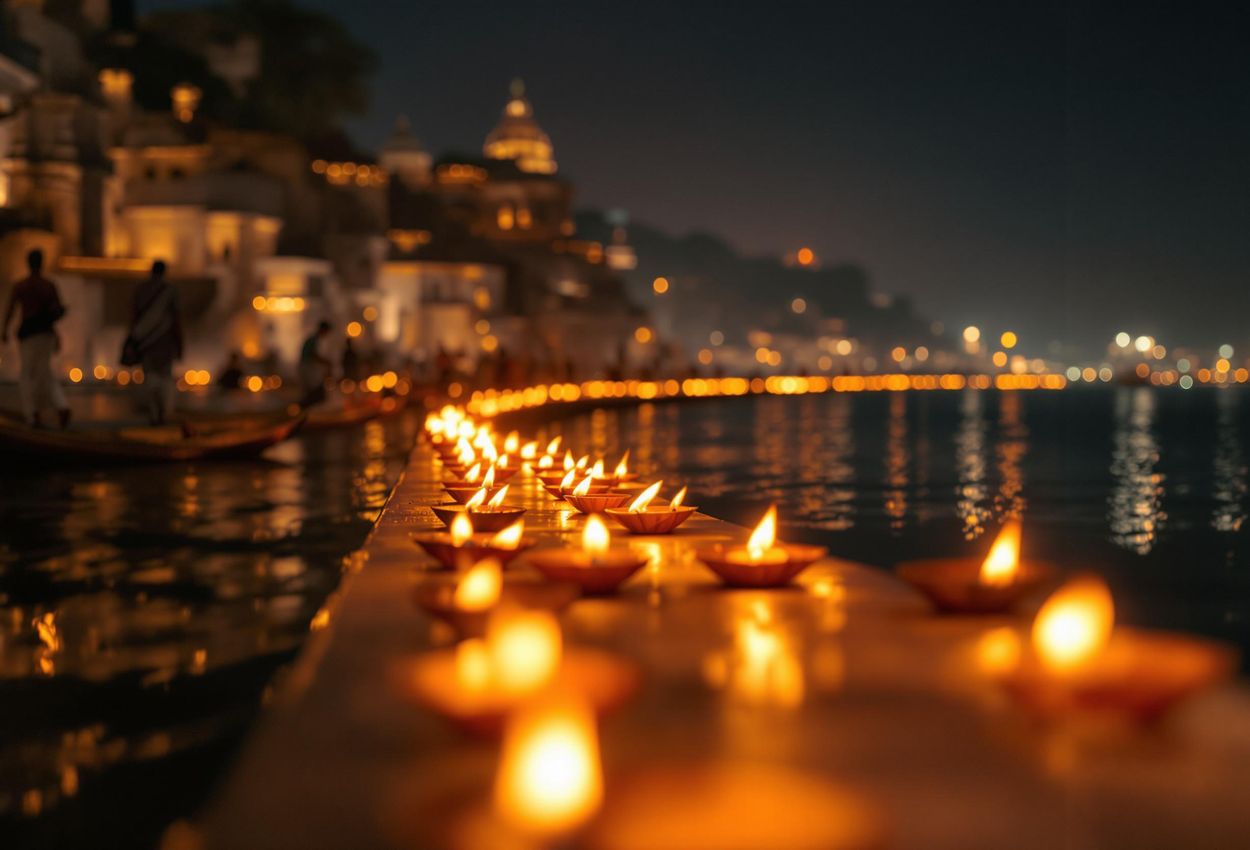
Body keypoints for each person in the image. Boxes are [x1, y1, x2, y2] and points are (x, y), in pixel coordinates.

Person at [1, 249, 71, 428]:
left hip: (29, 334)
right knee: (45, 372)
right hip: (46, 334)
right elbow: (56, 311)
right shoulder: (49, 285)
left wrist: (5, 330)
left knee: (26, 374)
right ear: (42, 263)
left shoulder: (21, 286)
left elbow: (11, 309)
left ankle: (32, 414)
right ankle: (60, 405)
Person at [128, 260, 182, 425]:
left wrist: (133, 341)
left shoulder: (140, 290)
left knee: (149, 378)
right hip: (165, 343)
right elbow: (176, 319)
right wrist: (179, 344)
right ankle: (163, 413)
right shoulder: (170, 291)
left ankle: (153, 414)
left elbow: (134, 317)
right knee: (165, 379)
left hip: (146, 344)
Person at [299, 321, 333, 407]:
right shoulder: (314, 340)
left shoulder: (314, 340)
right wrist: (327, 362)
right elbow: (313, 355)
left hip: (311, 369)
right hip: (309, 369)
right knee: (314, 393)